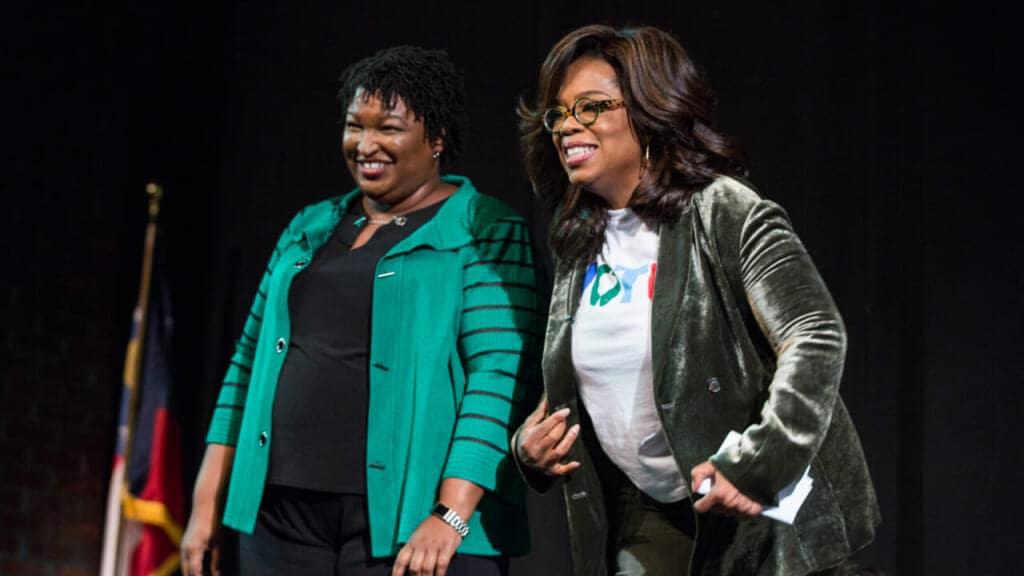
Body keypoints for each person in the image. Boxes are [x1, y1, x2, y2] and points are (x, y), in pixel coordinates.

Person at [513, 24, 880, 576]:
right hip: (647, 511)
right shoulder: (579, 241)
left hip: (763, 514)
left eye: (590, 107)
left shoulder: (721, 210)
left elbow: (814, 332)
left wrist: (759, 461)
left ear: (650, 111)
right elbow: (586, 382)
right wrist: (529, 447)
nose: (567, 126)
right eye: (559, 113)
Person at [181, 45, 542, 576]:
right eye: (355, 126)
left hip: (410, 524)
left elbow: (500, 379)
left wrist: (452, 516)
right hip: (277, 517)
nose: (365, 144)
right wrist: (207, 504)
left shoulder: (485, 228)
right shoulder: (309, 225)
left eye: (389, 128)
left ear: (436, 138)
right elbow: (246, 366)